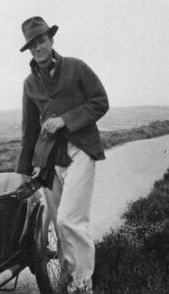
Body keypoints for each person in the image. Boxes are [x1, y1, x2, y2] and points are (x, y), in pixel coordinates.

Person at [16, 16, 109, 294]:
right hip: (49, 161)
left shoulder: (77, 68)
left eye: (42, 40)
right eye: (33, 44)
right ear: (30, 50)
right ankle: (69, 275)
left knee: (71, 219)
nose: (39, 47)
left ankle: (83, 283)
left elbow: (100, 102)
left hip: (81, 150)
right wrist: (23, 170)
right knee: (59, 223)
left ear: (51, 40)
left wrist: (65, 120)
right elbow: (29, 130)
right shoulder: (29, 84)